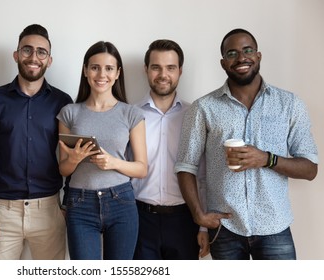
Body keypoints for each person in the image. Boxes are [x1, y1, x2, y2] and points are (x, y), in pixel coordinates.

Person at [175, 28, 318, 260]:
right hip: (226, 229)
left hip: (275, 226)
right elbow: (185, 166)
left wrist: (266, 159)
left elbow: (310, 169)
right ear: (223, 63)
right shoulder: (203, 108)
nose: (241, 58)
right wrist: (198, 215)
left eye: (247, 50)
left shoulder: (290, 104)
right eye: (232, 53)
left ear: (258, 56)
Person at [0, 24, 72, 260]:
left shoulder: (62, 102)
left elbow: (71, 157)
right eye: (27, 50)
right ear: (16, 54)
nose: (34, 57)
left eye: (41, 52)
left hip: (49, 210)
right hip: (3, 212)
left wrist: (66, 205)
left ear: (49, 60)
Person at [57, 41, 148, 260]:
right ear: (85, 70)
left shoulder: (131, 114)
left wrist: (114, 163)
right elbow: (64, 170)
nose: (101, 74)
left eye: (109, 68)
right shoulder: (69, 112)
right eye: (95, 67)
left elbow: (142, 168)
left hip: (121, 202)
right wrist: (75, 159)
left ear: (117, 73)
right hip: (79, 203)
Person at [131, 39, 209, 260]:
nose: (163, 74)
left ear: (180, 71)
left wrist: (202, 227)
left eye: (170, 68)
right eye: (156, 67)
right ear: (146, 70)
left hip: (184, 220)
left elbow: (202, 175)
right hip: (139, 218)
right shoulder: (130, 114)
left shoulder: (196, 115)